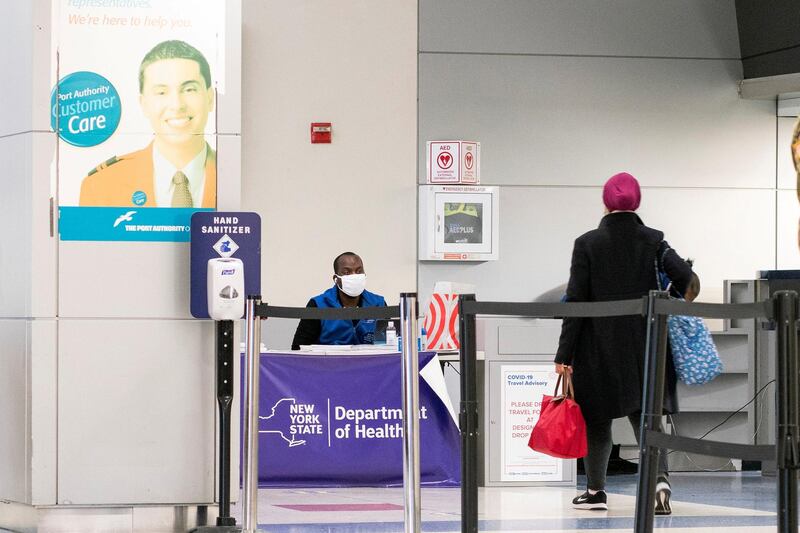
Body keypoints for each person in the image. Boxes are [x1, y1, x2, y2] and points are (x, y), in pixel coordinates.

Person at [555, 172, 696, 515]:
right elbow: (687, 281)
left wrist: (564, 355)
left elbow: (575, 302)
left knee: (597, 419)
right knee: (646, 417)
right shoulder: (654, 241)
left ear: (605, 203)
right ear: (638, 202)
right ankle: (660, 482)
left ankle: (595, 491)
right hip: (644, 344)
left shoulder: (587, 243)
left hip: (596, 347)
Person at [79, 40, 216, 208]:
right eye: (161, 92)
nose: (176, 105)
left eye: (189, 89)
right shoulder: (101, 186)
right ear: (143, 104)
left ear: (210, 98)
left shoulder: (242, 175)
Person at [291, 252, 387, 349]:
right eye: (346, 272)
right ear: (336, 279)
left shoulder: (378, 303)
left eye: (358, 271)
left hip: (369, 362)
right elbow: (298, 348)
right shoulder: (318, 304)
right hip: (329, 362)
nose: (354, 276)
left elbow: (391, 344)